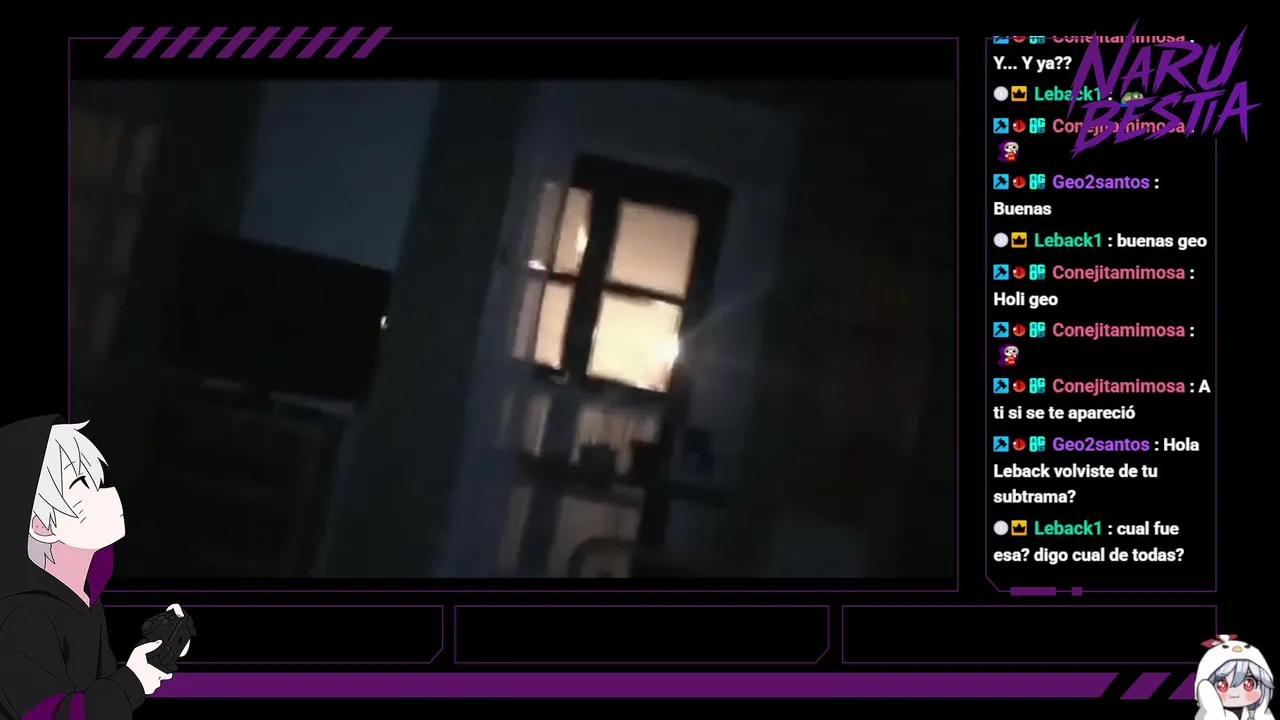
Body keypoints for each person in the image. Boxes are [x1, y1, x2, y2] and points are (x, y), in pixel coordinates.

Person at [0, 416, 188, 720]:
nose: (105, 493)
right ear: (40, 525)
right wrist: (132, 682)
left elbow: (98, 690)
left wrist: (149, 659)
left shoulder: (85, 602)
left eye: (97, 481)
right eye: (80, 484)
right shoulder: (23, 619)